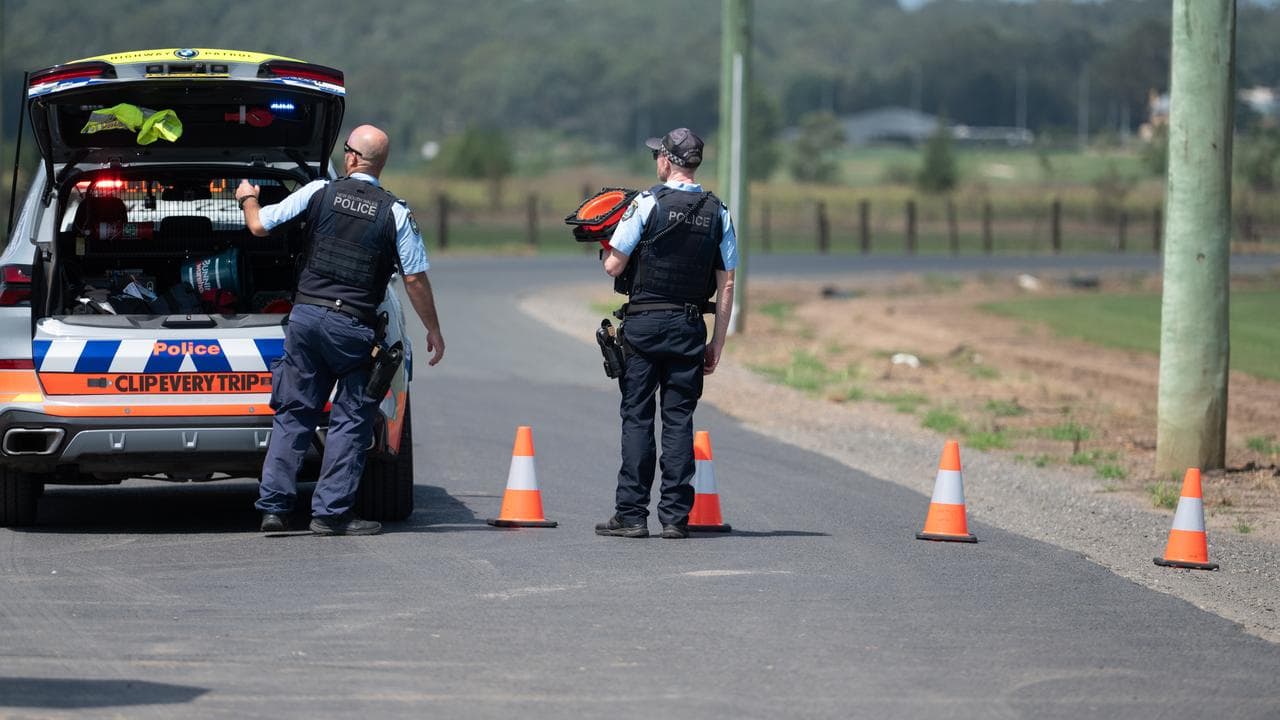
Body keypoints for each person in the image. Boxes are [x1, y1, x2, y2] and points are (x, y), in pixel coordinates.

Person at [235, 124, 445, 536]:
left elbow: (259, 226)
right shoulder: (395, 212)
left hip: (306, 319)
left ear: (350, 157)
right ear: (380, 164)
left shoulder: (318, 192)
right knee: (351, 419)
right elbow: (415, 279)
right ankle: (329, 515)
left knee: (294, 413)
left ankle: (274, 511)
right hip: (353, 328)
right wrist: (433, 330)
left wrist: (248, 198)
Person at [595, 127, 737, 539]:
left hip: (643, 326)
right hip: (689, 327)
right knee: (678, 420)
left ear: (667, 161)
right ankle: (675, 517)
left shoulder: (646, 203)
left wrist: (606, 244)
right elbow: (727, 283)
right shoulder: (719, 211)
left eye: (659, 154)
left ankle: (632, 515)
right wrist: (717, 344)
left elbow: (613, 266)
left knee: (638, 416)